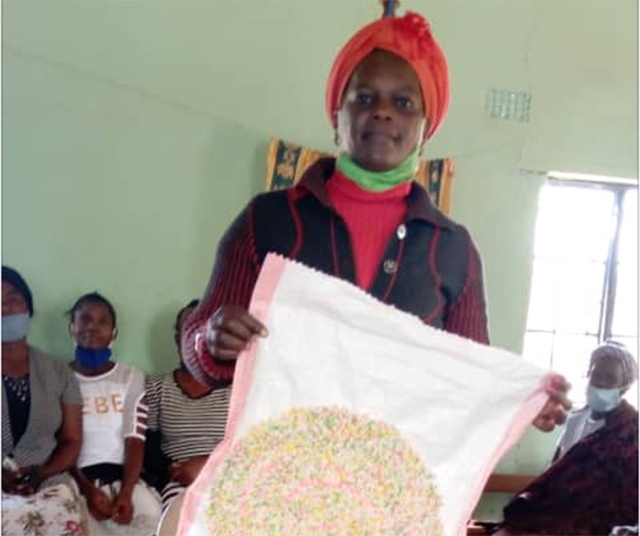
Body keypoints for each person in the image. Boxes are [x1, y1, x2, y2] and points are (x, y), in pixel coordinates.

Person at [181, 12, 569, 430]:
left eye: (403, 103)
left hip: (397, 483)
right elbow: (197, 346)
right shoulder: (267, 220)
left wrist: (525, 401)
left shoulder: (452, 248)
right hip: (282, 474)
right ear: (337, 114)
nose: (383, 113)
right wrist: (211, 340)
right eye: (364, 98)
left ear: (425, 127)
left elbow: (471, 378)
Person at [495, 341, 638, 536]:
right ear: (588, 374)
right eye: (597, 375)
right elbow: (557, 473)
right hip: (559, 516)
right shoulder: (574, 422)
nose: (602, 382)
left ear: (624, 386)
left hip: (600, 523)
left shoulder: (631, 432)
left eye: (611, 378)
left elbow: (630, 496)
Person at [68, 292, 162, 535]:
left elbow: (134, 438)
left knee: (152, 517)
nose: (93, 327)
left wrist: (127, 493)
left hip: (122, 477)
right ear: (72, 327)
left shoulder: (130, 376)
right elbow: (58, 443)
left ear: (114, 332)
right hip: (75, 479)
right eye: (85, 319)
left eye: (103, 321)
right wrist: (87, 490)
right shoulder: (59, 376)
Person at [2, 266, 85, 535]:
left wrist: (42, 472)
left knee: (62, 518)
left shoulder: (60, 371)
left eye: (14, 297)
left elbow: (72, 440)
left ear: (28, 306)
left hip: (48, 481)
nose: (6, 307)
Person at [145, 299, 231, 511]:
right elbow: (147, 447)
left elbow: (247, 445)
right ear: (177, 339)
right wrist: (172, 470)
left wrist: (207, 466)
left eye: (203, 330)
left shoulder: (235, 389)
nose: (195, 340)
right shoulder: (157, 387)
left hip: (226, 476)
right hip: (178, 482)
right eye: (188, 331)